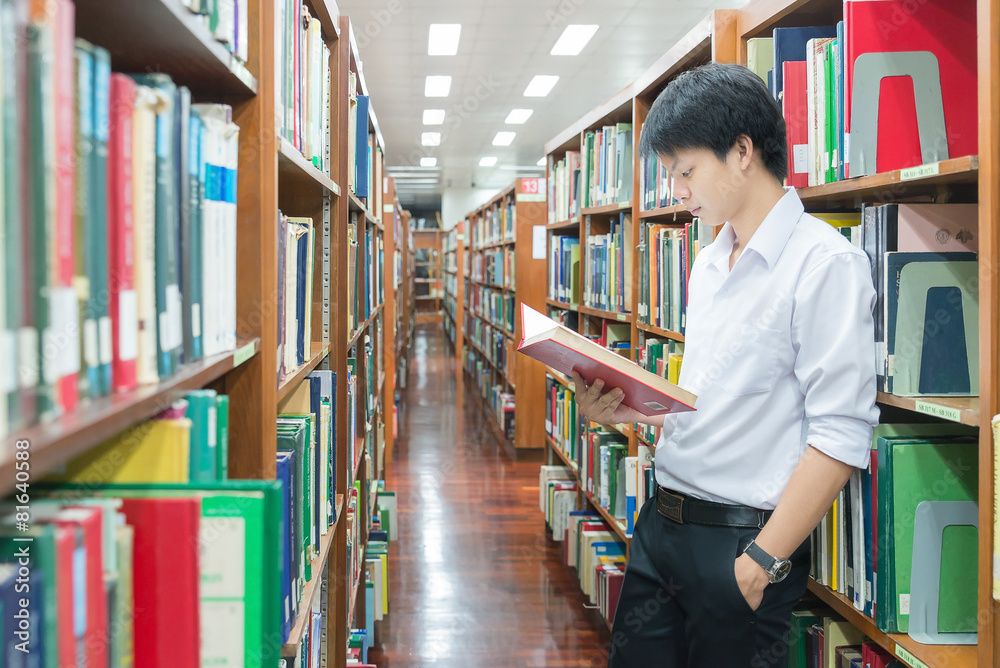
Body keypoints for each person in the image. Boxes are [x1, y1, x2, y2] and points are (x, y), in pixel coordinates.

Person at [570, 62, 879, 668]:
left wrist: (762, 560)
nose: (676, 191)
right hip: (661, 525)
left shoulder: (824, 264)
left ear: (742, 152)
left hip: (740, 546)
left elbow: (842, 431)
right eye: (670, 174)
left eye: (685, 171)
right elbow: (718, 403)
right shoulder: (709, 262)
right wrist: (625, 407)